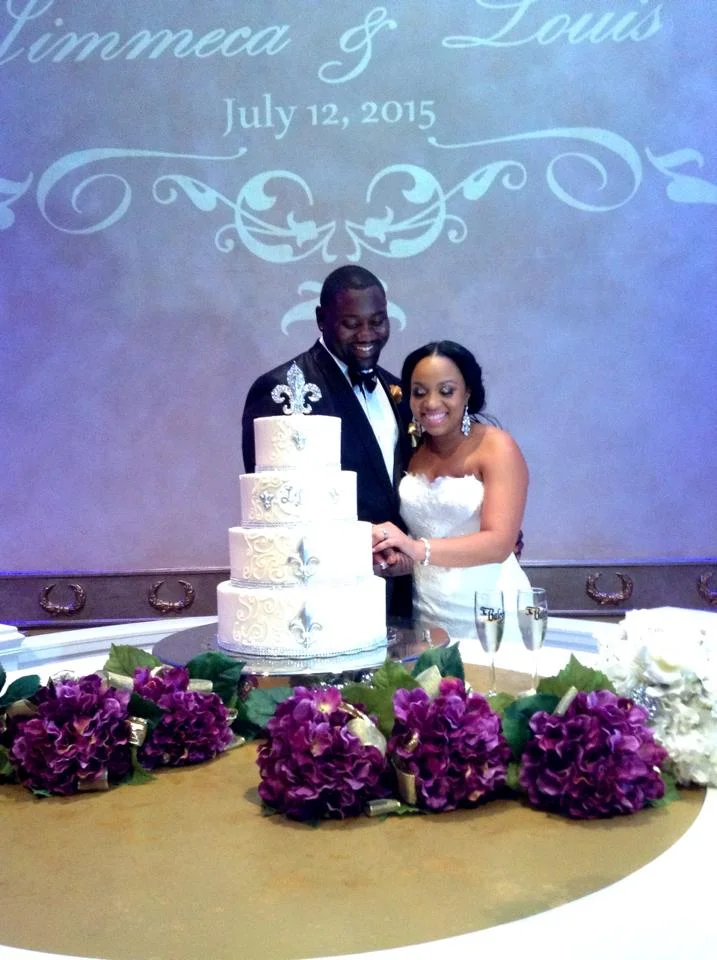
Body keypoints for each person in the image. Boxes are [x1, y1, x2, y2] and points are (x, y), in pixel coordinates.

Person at [241, 265, 413, 617]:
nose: (367, 333)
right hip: (325, 596)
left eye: (378, 321)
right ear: (322, 319)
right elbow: (276, 502)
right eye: (351, 323)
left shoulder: (399, 390)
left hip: (404, 590)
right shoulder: (282, 390)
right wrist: (356, 543)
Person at [372, 340, 530, 639]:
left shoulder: (497, 447)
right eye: (419, 392)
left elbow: (499, 543)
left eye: (446, 391)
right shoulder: (412, 451)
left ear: (467, 391)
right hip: (428, 610)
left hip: (491, 609)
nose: (431, 403)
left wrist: (418, 549)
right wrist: (399, 560)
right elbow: (426, 533)